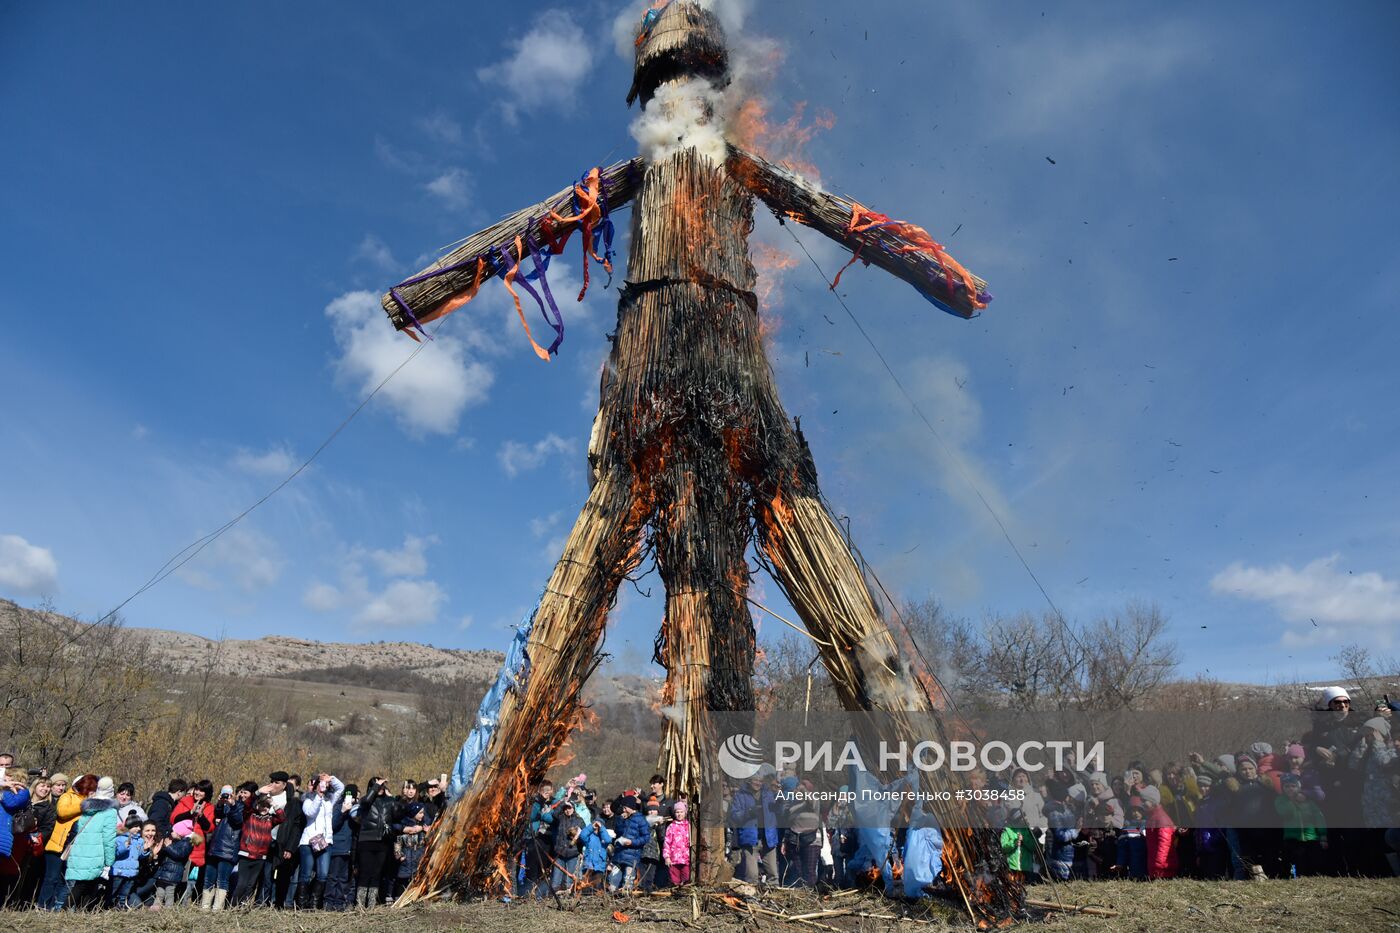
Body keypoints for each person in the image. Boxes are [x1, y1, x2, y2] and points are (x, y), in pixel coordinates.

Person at [64, 775, 120, 910]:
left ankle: (77, 914)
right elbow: (109, 839)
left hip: (81, 851)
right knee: (85, 886)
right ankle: (67, 911)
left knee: (84, 884)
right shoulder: (110, 812)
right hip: (96, 853)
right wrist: (109, 861)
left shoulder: (87, 808)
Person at [40, 772, 92, 909]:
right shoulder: (67, 796)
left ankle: (54, 907)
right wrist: (84, 805)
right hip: (58, 843)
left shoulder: (87, 799)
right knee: (51, 878)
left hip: (73, 845)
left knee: (64, 879)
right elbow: (62, 812)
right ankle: (43, 906)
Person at [298, 771, 346, 908]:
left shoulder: (330, 799)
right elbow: (310, 813)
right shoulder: (307, 799)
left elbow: (341, 788)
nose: (323, 786)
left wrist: (331, 778)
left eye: (324, 784)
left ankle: (314, 903)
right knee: (306, 874)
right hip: (308, 841)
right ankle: (302, 904)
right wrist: (318, 796)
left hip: (325, 842)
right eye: (320, 783)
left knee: (323, 874)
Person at [206, 781, 257, 910]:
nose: (242, 794)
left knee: (222, 880)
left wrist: (233, 805)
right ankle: (205, 906)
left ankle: (217, 908)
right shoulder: (230, 804)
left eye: (245, 792)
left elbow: (238, 820)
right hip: (215, 845)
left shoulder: (248, 808)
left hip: (229, 848)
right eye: (240, 791)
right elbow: (217, 815)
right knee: (209, 878)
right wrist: (219, 804)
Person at [231, 793, 285, 906]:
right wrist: (257, 795)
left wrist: (273, 803)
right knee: (242, 883)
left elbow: (282, 817)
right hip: (246, 854)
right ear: (257, 805)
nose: (264, 808)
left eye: (267, 806)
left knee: (251, 884)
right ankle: (233, 905)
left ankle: (243, 905)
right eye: (262, 805)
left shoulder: (270, 820)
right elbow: (247, 805)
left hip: (260, 857)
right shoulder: (249, 816)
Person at [352, 776, 396, 909]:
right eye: (377, 786)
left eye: (383, 786)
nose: (381, 788)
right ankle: (360, 905)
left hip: (382, 842)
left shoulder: (388, 801)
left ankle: (370, 905)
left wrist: (391, 797)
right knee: (365, 872)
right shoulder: (365, 800)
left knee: (377, 873)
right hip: (367, 840)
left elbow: (398, 811)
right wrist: (376, 787)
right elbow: (365, 803)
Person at [170, 779, 216, 904]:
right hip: (180, 843)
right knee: (178, 872)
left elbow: (209, 828)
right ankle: (172, 900)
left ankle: (184, 901)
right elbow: (174, 819)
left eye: (202, 791)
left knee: (191, 877)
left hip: (197, 846)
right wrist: (190, 813)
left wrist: (200, 816)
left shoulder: (209, 807)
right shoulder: (185, 802)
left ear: (207, 793)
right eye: (197, 789)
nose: (198, 792)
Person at [390, 783, 429, 904]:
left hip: (418, 860)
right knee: (402, 881)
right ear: (413, 814)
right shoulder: (406, 828)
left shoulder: (422, 828)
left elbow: (426, 843)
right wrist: (399, 855)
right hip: (406, 860)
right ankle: (398, 898)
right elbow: (398, 842)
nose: (423, 815)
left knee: (414, 881)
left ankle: (413, 900)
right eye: (420, 813)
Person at [0, 767, 33, 906]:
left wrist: (2, 790)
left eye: (6, 776)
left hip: (4, 836)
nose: (4, 779)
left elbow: (12, 803)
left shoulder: (23, 792)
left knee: (4, 874)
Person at [610, 795, 651, 893]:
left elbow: (646, 837)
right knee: (612, 884)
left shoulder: (641, 819)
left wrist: (632, 842)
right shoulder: (622, 818)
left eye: (625, 807)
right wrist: (621, 820)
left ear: (631, 807)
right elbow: (617, 832)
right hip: (618, 856)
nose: (623, 810)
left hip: (631, 857)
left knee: (627, 885)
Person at [153, 820, 195, 909]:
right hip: (165, 870)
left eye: (174, 831)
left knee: (169, 891)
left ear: (180, 833)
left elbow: (179, 854)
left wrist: (168, 847)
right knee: (159, 890)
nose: (171, 832)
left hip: (174, 872)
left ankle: (169, 907)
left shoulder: (187, 843)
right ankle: (156, 906)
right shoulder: (175, 841)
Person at [109, 814, 148, 907]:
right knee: (112, 893)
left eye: (139, 826)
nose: (138, 828)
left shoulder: (140, 840)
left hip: (131, 873)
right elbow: (114, 854)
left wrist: (145, 850)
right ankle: (107, 907)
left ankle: (120, 908)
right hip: (118, 872)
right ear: (129, 826)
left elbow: (139, 856)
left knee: (124, 894)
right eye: (135, 826)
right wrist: (124, 847)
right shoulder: (119, 838)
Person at [550, 798, 586, 893]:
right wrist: (562, 803)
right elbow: (554, 814)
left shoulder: (579, 820)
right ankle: (553, 899)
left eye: (569, 808)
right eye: (565, 808)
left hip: (573, 853)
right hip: (559, 853)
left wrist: (576, 838)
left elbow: (585, 836)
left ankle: (567, 900)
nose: (567, 810)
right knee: (555, 882)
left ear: (573, 808)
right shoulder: (560, 818)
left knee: (568, 881)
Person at [578, 808, 615, 893]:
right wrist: (591, 827)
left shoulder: (604, 837)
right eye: (596, 826)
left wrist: (602, 828)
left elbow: (608, 840)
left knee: (597, 887)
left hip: (599, 867)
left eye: (599, 826)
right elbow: (582, 835)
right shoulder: (589, 837)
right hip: (588, 866)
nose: (597, 828)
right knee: (586, 887)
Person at [663, 799, 692, 886]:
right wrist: (667, 857)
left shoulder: (689, 826)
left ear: (685, 813)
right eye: (677, 812)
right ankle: (676, 895)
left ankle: (684, 895)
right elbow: (667, 843)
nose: (679, 814)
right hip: (674, 859)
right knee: (674, 880)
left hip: (686, 859)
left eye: (681, 812)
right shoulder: (671, 826)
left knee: (686, 878)